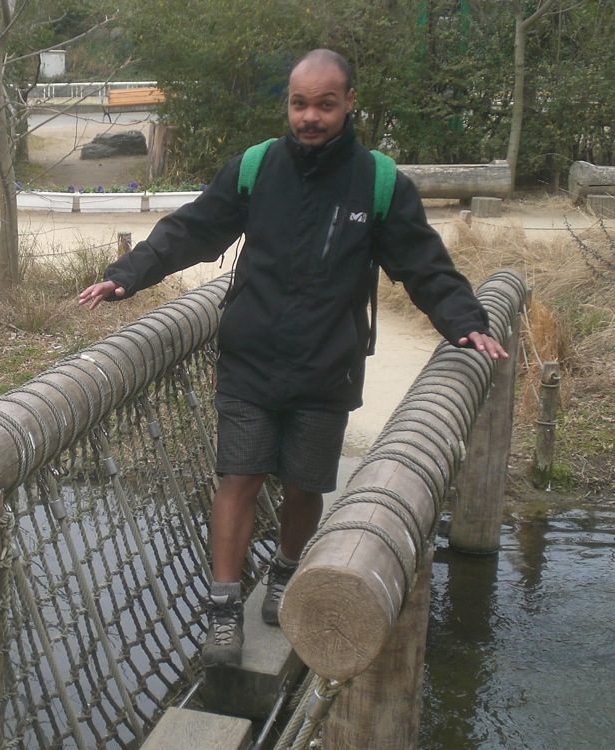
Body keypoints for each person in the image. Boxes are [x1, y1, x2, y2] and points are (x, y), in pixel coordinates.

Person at [78, 49, 508, 668]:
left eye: (325, 104)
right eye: (299, 103)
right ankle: (223, 615)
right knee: (239, 477)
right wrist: (127, 276)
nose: (310, 116)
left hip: (327, 365)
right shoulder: (256, 168)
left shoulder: (379, 183)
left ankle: (284, 573)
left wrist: (465, 323)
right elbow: (193, 230)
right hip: (250, 357)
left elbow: (424, 265)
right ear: (289, 103)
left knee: (305, 484)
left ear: (349, 103)